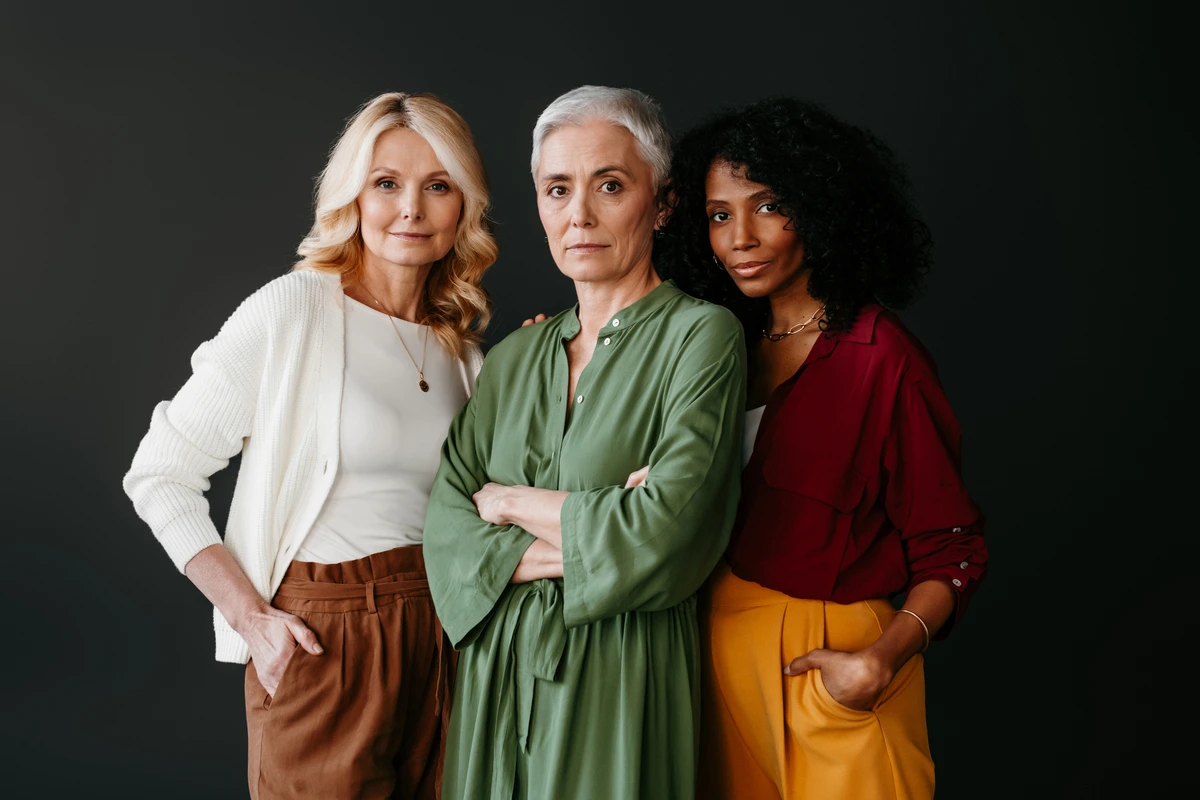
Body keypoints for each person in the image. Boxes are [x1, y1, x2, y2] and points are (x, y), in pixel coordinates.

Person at [122, 91, 496, 799]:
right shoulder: (292, 311)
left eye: (437, 186)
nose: (410, 209)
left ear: (463, 208)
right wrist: (249, 617)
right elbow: (159, 474)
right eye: (386, 183)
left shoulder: (462, 353)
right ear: (352, 194)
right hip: (326, 639)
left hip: (443, 635)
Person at [660, 96, 989, 800]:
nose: (739, 237)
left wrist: (878, 660)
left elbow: (952, 548)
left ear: (821, 208)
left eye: (768, 206)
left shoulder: (883, 359)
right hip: (714, 662)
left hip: (830, 662)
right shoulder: (715, 348)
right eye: (719, 214)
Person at [422, 85, 746, 799]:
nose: (580, 215)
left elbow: (666, 534)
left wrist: (506, 503)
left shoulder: (702, 338)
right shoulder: (512, 357)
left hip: (622, 670)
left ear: (660, 204)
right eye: (557, 189)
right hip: (496, 676)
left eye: (610, 186)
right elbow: (445, 533)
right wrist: (591, 525)